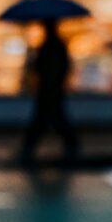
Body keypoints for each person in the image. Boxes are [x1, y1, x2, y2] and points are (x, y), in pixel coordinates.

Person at [20, 19, 78, 165]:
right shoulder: (58, 45)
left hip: (48, 89)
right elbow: (65, 66)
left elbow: (38, 68)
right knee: (55, 120)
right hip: (54, 89)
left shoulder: (47, 46)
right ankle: (71, 147)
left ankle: (28, 150)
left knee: (43, 121)